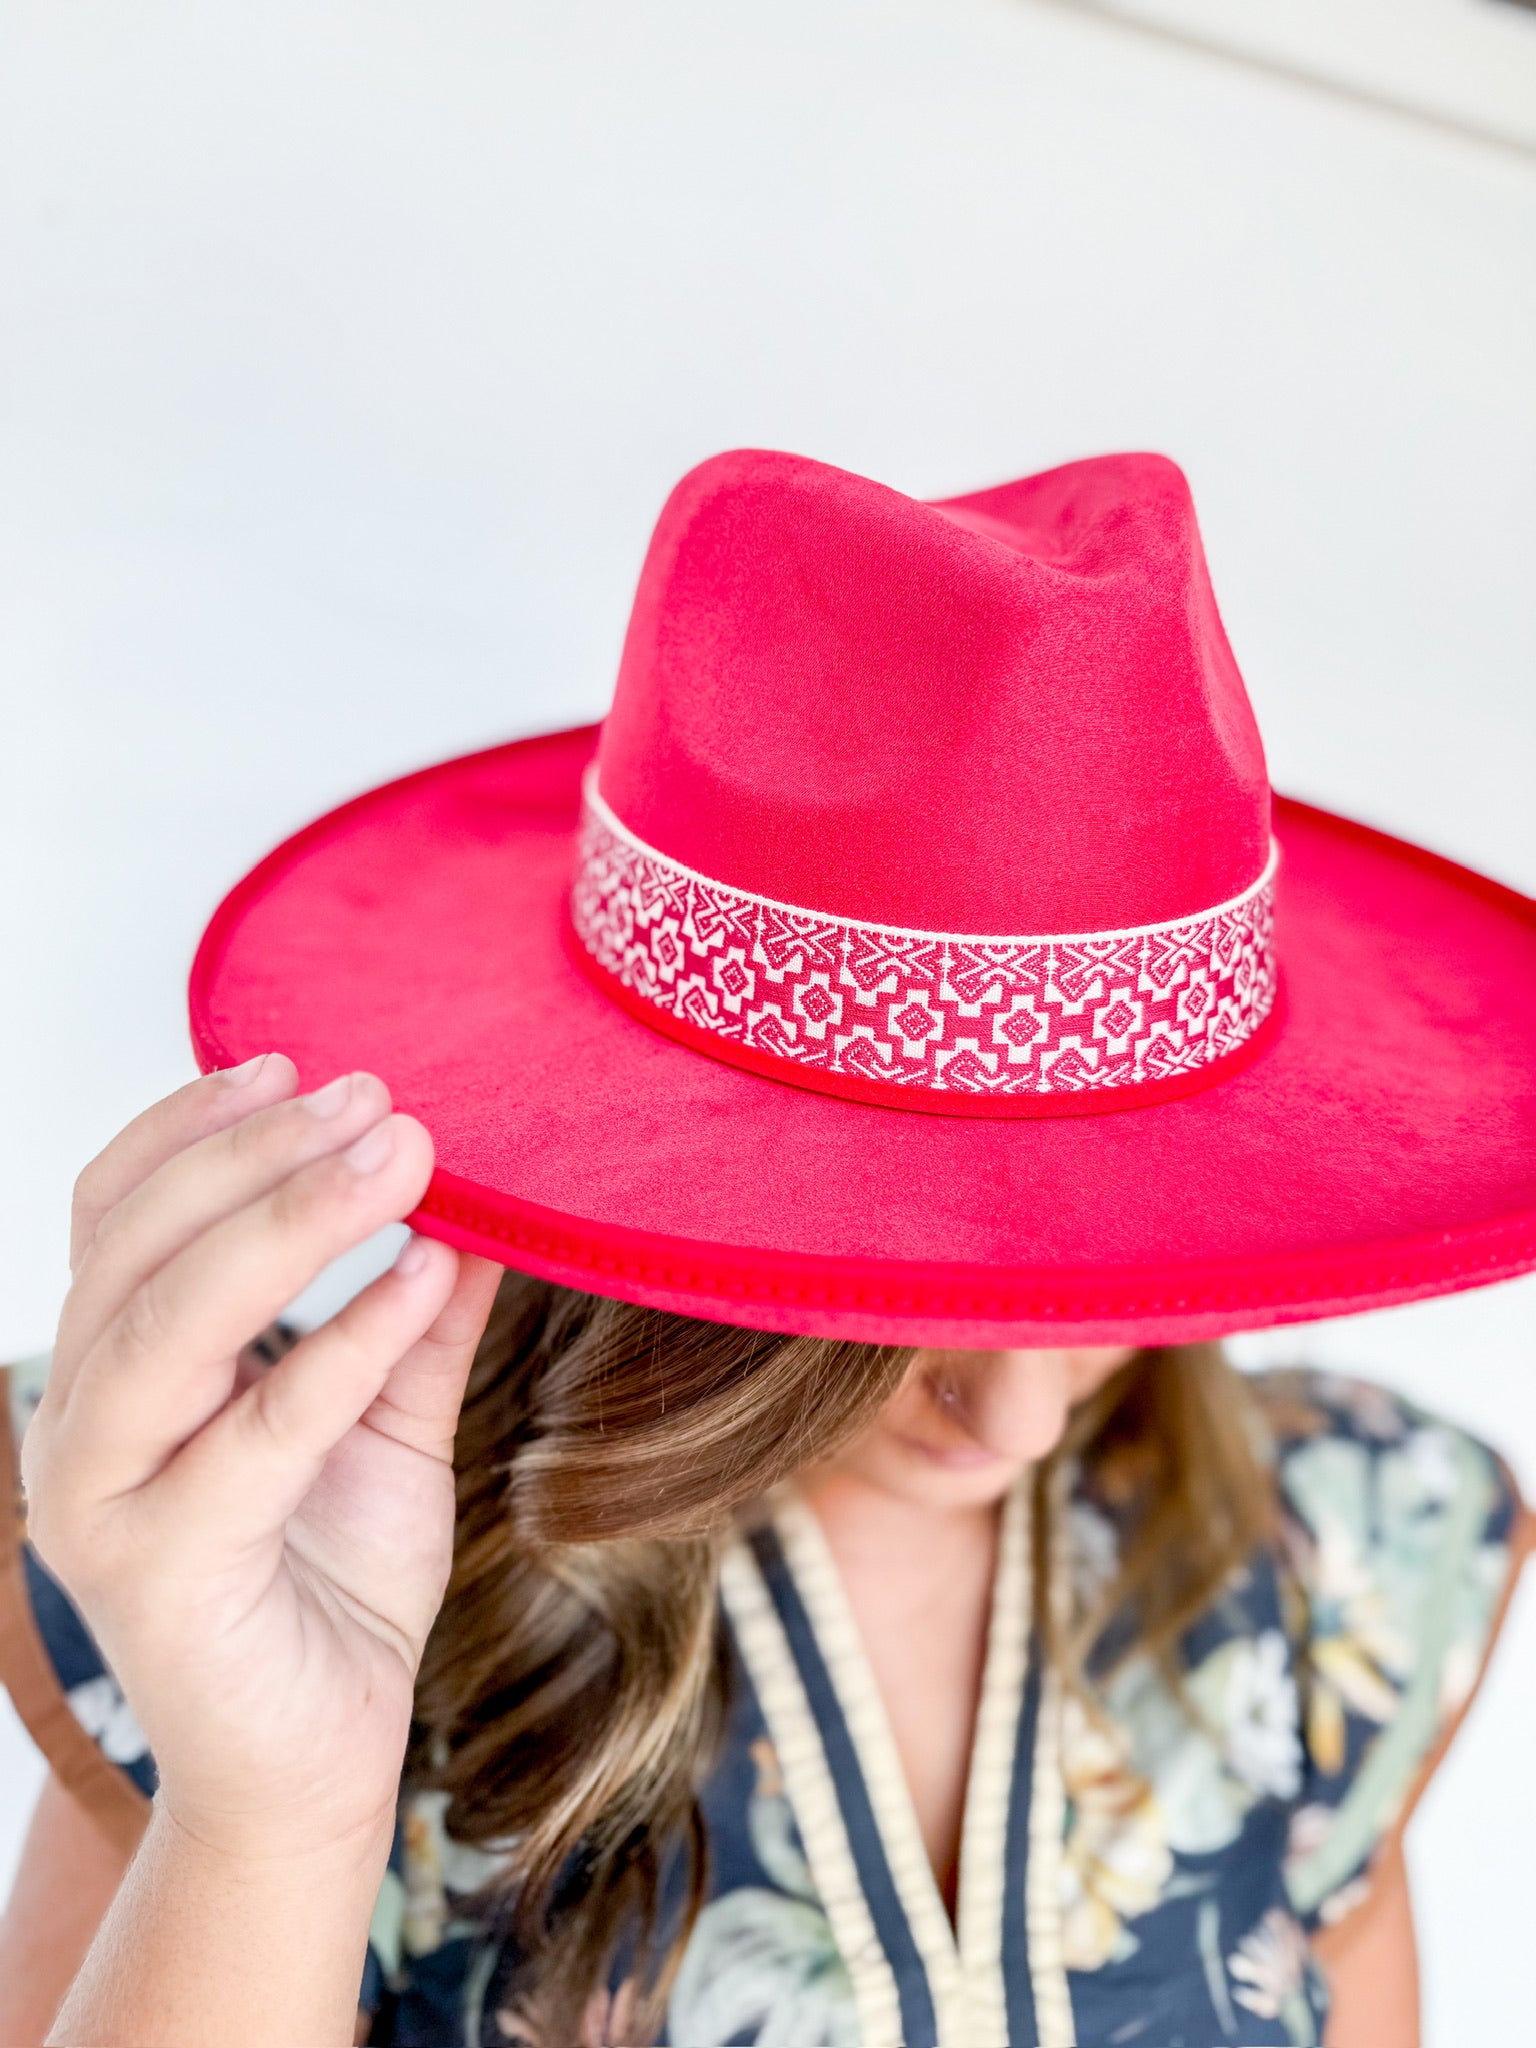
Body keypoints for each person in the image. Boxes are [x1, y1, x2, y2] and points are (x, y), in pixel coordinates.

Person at [1, 449, 1532, 2048]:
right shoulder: (258, 1534)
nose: (1016, 1416)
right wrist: (266, 1820)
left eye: (1099, 1268)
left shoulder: (1343, 1555)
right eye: (896, 1292)